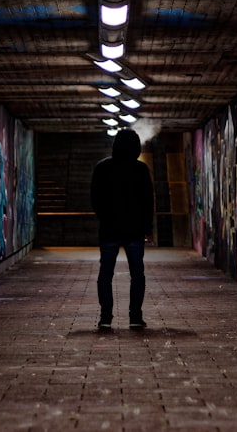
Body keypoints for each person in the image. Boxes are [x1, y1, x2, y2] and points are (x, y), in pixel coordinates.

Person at [91, 128, 155, 330]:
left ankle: (106, 317)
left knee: (105, 274)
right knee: (137, 274)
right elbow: (147, 201)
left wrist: (104, 217)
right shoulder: (141, 169)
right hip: (134, 230)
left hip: (109, 229)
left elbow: (95, 198)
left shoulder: (102, 167)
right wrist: (148, 228)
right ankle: (135, 316)